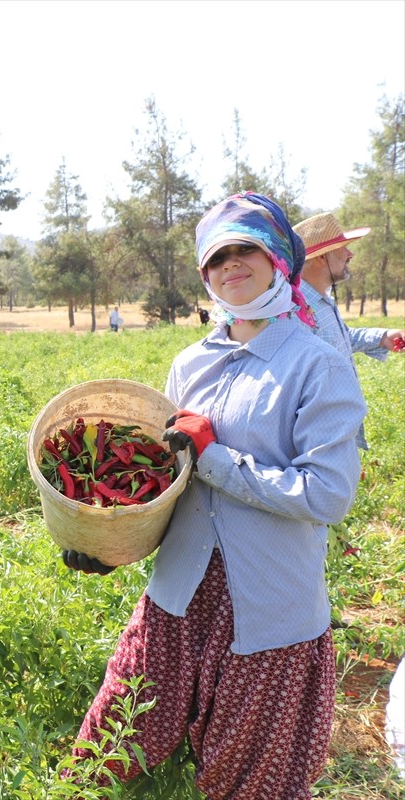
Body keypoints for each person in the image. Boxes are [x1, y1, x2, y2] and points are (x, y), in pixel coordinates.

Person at [61, 193, 366, 798]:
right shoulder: (190, 363)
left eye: (244, 248)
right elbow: (170, 480)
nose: (230, 265)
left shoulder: (317, 365)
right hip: (179, 596)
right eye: (216, 256)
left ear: (277, 256)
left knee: (250, 781)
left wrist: (217, 459)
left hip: (268, 610)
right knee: (104, 757)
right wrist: (112, 542)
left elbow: (328, 494)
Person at [293, 211, 404, 449]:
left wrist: (383, 337)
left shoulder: (320, 299)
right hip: (319, 439)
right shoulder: (294, 309)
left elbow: (339, 336)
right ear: (322, 257)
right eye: (342, 247)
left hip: (339, 431)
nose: (350, 254)